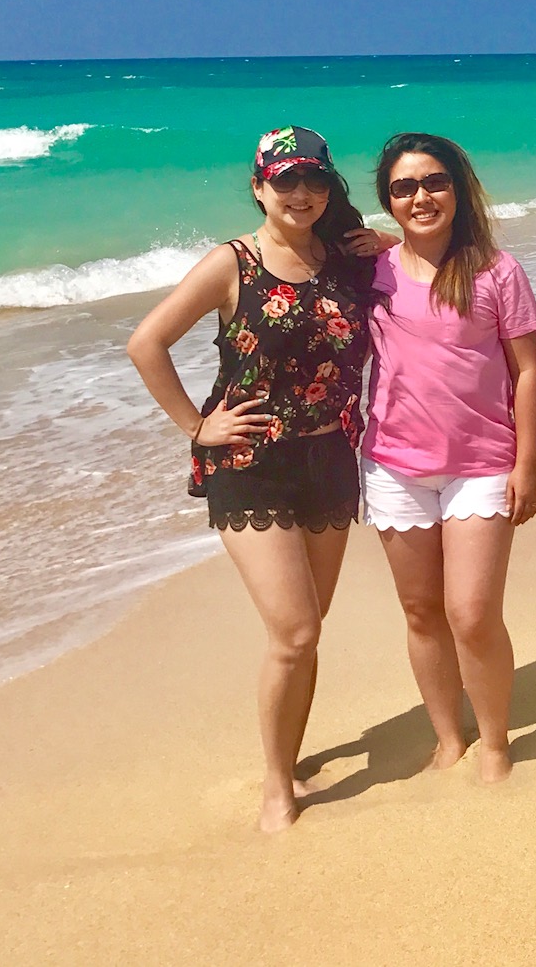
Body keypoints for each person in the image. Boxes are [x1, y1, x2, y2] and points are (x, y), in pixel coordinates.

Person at [126, 126, 384, 832]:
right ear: (259, 186)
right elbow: (146, 343)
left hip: (330, 458)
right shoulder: (231, 263)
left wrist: (387, 243)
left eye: (314, 179)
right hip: (250, 464)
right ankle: (277, 784)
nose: (301, 192)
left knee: (308, 630)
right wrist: (196, 425)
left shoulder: (347, 259)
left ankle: (290, 756)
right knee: (295, 631)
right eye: (285, 179)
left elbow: (429, 274)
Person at [362, 132, 536, 784]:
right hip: (392, 465)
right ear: (388, 200)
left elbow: (527, 373)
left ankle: (494, 741)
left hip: (483, 463)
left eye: (434, 181)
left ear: (458, 189)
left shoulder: (497, 271)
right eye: (404, 187)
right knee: (421, 612)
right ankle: (448, 737)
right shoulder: (372, 271)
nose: (421, 196)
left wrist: (527, 464)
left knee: (471, 613)